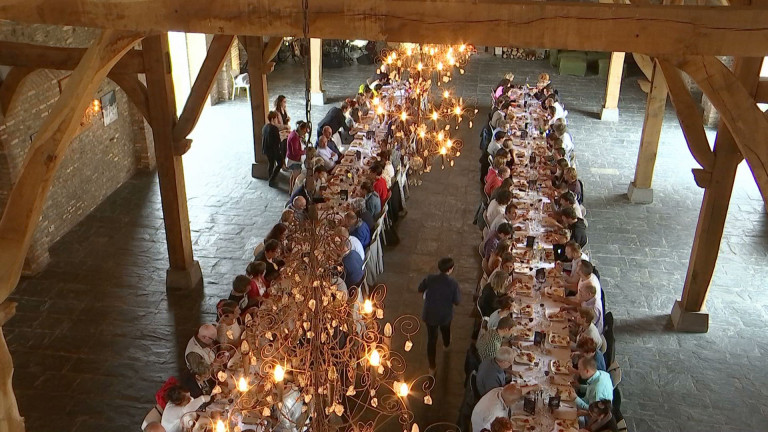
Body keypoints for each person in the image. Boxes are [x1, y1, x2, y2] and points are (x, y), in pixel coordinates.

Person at [418, 257, 461, 374]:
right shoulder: (453, 284)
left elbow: (420, 288)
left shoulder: (430, 278)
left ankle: (432, 367)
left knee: (431, 340)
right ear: (450, 269)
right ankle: (446, 345)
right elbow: (457, 301)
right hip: (445, 315)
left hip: (430, 314)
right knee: (446, 330)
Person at [470, 383, 540, 432]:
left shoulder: (501, 391)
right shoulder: (494, 414)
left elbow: (514, 391)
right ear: (512, 401)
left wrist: (532, 387)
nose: (516, 402)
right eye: (516, 400)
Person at [262, 111, 283, 187]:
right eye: (276, 118)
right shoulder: (274, 128)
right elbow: (277, 141)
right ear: (273, 119)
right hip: (273, 150)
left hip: (266, 149)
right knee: (280, 163)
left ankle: (271, 179)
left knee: (271, 164)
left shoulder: (265, 127)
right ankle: (272, 179)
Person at [286, 121, 308, 191]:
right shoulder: (294, 137)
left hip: (292, 158)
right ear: (301, 129)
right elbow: (295, 152)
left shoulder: (295, 134)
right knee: (296, 178)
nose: (305, 133)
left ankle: (290, 190)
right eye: (304, 131)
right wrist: (304, 152)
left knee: (293, 175)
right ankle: (293, 192)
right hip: (294, 160)